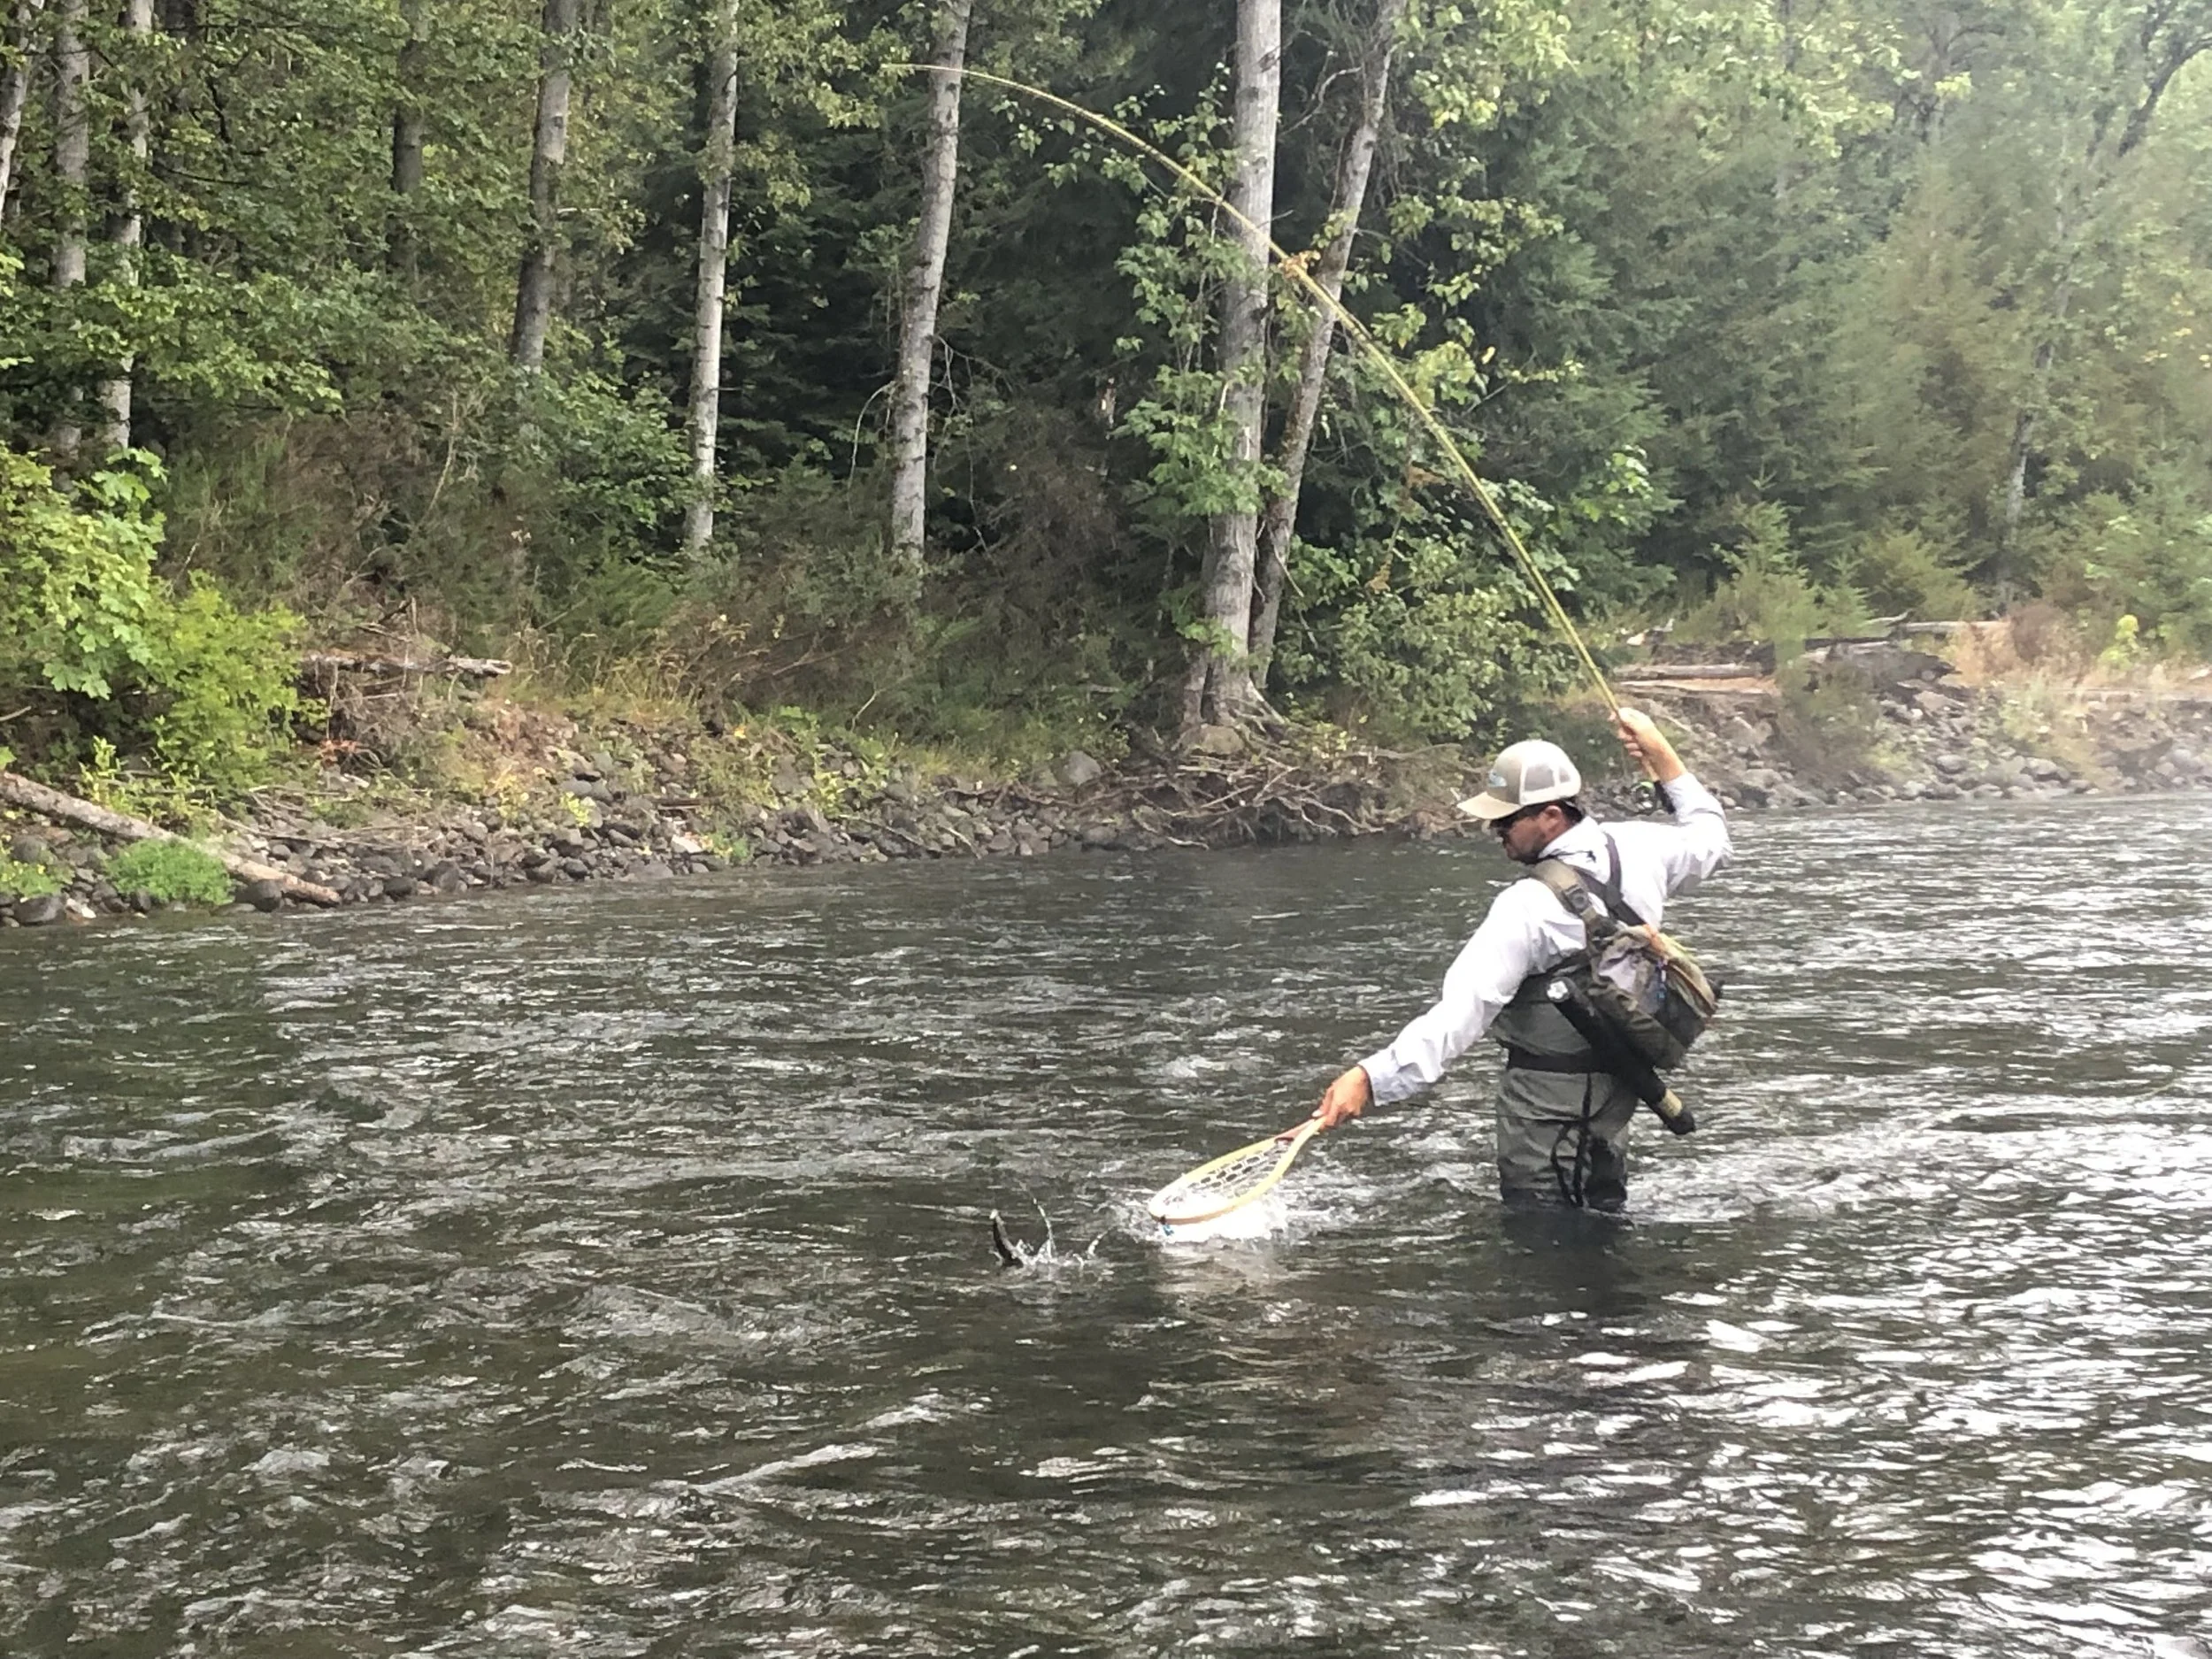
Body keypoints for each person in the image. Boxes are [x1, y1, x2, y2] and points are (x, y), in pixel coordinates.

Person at [1311, 708, 1731, 1210]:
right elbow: (1712, 839)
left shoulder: (1525, 907)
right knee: (1601, 1220)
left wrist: (1370, 1078)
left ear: (1551, 815)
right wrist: (1663, 755)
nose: (1496, 832)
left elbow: (1460, 1016)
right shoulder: (1643, 847)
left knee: (1546, 1243)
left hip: (1544, 1120)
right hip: (1616, 1102)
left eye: (1506, 821)